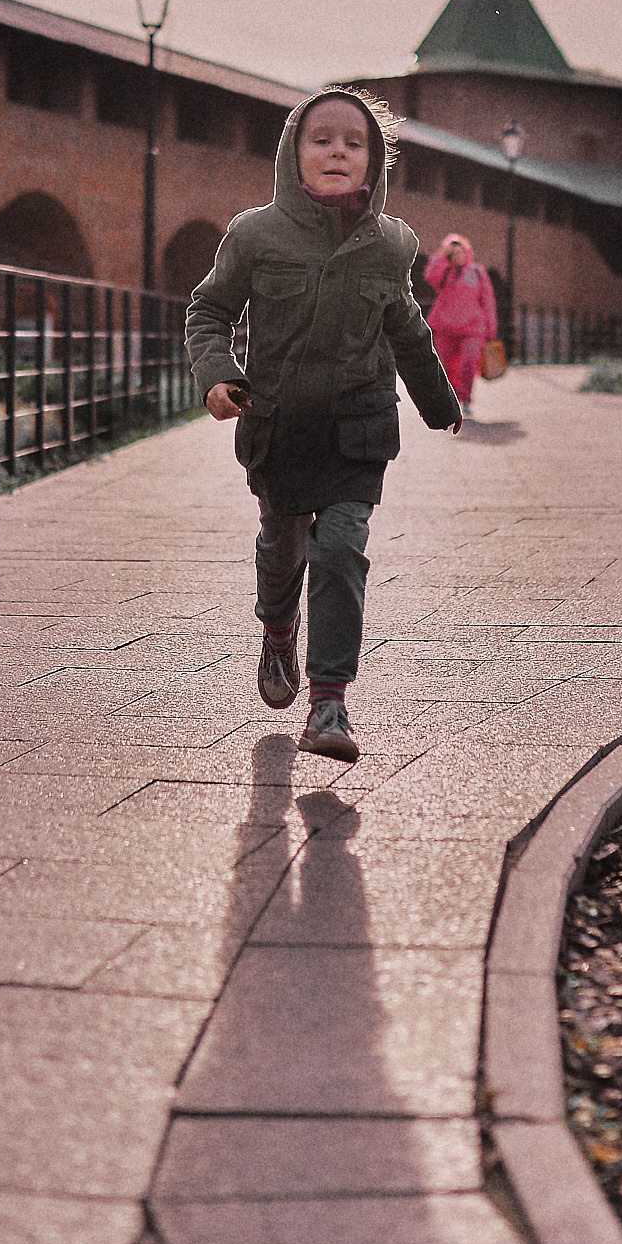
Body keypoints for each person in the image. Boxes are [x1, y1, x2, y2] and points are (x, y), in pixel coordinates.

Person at [187, 86, 461, 762]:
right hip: (278, 427)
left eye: (353, 141)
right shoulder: (255, 234)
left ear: (374, 163)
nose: (337, 150)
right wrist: (218, 376)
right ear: (292, 154)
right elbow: (209, 309)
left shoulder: (390, 243)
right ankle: (278, 629)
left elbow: (405, 326)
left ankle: (329, 701)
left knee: (339, 550)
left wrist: (439, 402)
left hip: (357, 431)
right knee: (283, 548)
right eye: (321, 139)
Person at [421, 233, 496, 412]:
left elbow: (488, 300)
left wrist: (491, 328)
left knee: (469, 363)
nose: (457, 255)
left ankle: (465, 399)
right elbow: (430, 276)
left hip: (473, 328)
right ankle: (452, 399)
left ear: (466, 251)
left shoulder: (477, 272)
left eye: (460, 250)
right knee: (446, 366)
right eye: (453, 252)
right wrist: (441, 255)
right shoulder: (444, 271)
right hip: (446, 327)